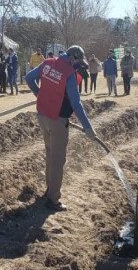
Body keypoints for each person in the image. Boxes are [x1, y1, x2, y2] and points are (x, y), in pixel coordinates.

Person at [25, 45, 97, 211]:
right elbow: (76, 103)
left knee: (50, 154)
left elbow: (29, 78)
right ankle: (53, 199)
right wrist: (88, 127)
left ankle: (49, 190)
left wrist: (39, 94)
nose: (78, 66)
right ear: (72, 58)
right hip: (57, 119)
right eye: (78, 63)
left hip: (42, 116)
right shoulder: (69, 73)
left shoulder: (47, 63)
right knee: (58, 160)